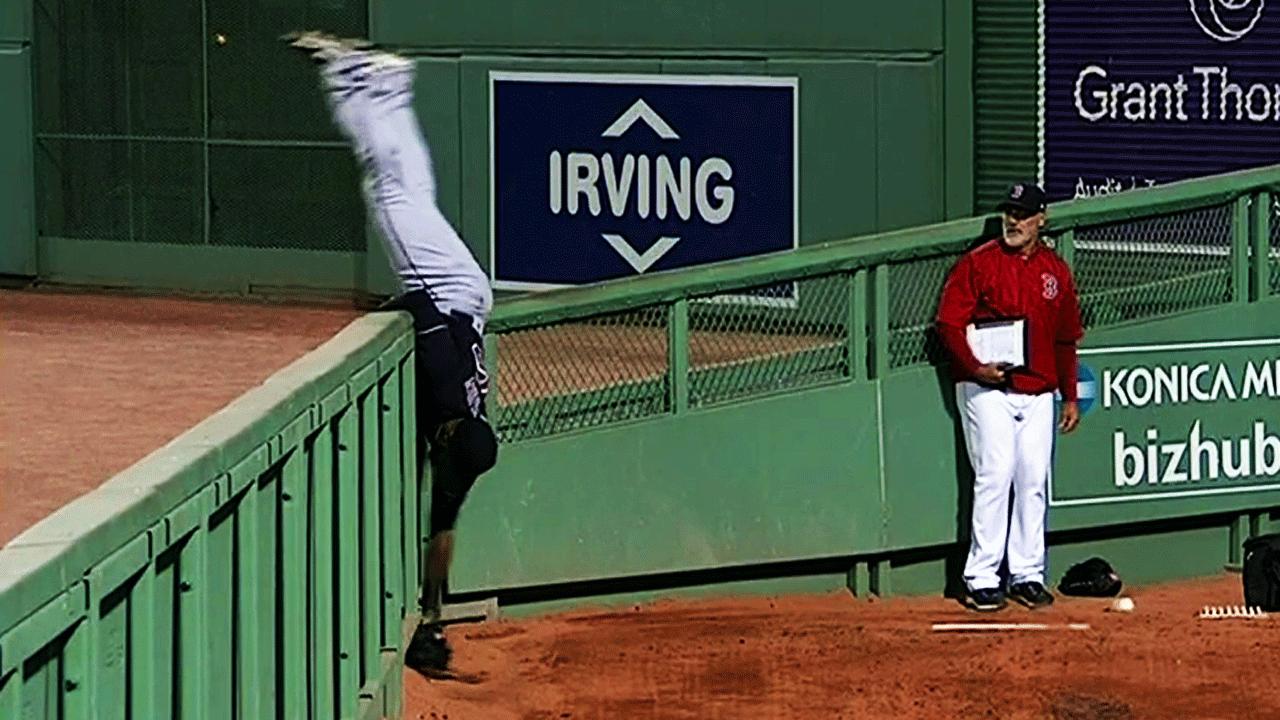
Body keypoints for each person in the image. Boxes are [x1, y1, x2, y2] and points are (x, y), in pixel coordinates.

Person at [284, 31, 498, 672]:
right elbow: (420, 310)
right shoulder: (443, 391)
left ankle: (389, 83)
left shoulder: (467, 441)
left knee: (411, 191)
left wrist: (431, 620)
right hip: (448, 293)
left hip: (470, 297)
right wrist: (376, 316)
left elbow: (442, 538)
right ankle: (351, 76)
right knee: (388, 190)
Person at [934, 182, 1084, 613]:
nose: (1013, 221)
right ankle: (981, 576)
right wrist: (975, 367)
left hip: (1039, 390)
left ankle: (1027, 574)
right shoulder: (979, 263)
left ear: (1041, 219)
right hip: (987, 387)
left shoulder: (1056, 271)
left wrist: (1069, 395)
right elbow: (949, 324)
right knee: (996, 473)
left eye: (1022, 213)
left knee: (1034, 480)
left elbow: (1066, 338)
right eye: (1009, 212)